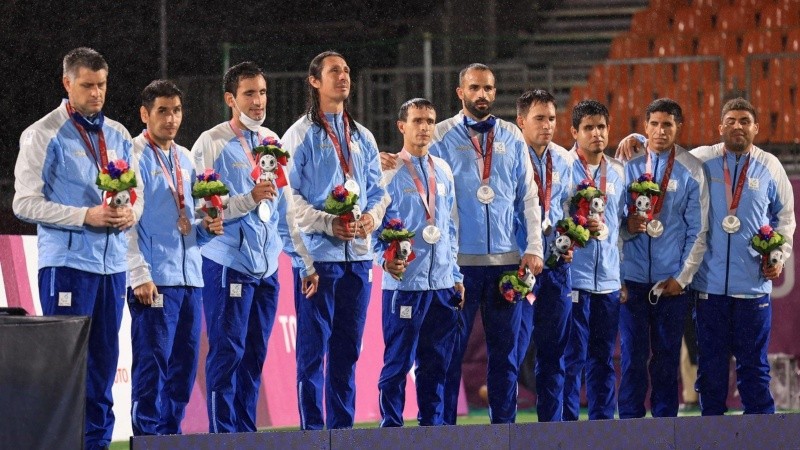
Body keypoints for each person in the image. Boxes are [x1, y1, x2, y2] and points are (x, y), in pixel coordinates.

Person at [381, 64, 543, 424]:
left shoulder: (513, 136)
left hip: (505, 262)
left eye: (488, 88)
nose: (482, 94)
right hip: (458, 267)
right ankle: (445, 432)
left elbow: (528, 197)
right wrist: (381, 161)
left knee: (505, 355)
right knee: (447, 355)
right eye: (474, 88)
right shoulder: (439, 133)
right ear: (460, 92)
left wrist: (534, 246)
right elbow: (412, 162)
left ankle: (505, 431)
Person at [13, 47, 134, 450]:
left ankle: (96, 446)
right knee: (68, 369)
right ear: (67, 84)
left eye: (101, 85)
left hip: (113, 265)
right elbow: (23, 202)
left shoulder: (118, 133)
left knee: (102, 368)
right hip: (67, 264)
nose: (96, 93)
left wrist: (131, 213)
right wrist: (86, 216)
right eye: (87, 86)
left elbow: (136, 193)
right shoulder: (42, 133)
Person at [192, 61, 318, 433]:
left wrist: (304, 262)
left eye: (262, 92)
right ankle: (223, 437)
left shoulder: (272, 144)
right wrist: (248, 199)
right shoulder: (211, 142)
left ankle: (246, 437)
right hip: (228, 263)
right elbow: (204, 207)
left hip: (266, 270)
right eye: (249, 93)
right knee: (227, 354)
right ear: (231, 98)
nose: (258, 100)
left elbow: (284, 211)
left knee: (253, 357)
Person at [283, 51, 388, 430]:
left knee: (347, 354)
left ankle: (342, 434)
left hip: (358, 261)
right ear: (314, 81)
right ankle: (313, 435)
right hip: (320, 262)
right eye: (333, 72)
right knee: (311, 355)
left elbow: (378, 192)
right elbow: (288, 198)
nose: (343, 77)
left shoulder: (362, 135)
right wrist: (329, 223)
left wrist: (370, 219)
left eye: (346, 70)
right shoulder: (298, 136)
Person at [126, 80, 223, 435]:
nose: (171, 119)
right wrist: (138, 272)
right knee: (153, 367)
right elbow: (125, 223)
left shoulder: (185, 158)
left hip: (190, 279)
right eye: (163, 111)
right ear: (144, 114)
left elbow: (189, 223)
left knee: (182, 370)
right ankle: (147, 438)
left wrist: (207, 226)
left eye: (177, 110)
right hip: (155, 280)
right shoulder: (132, 156)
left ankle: (169, 436)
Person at [688, 98, 794, 415]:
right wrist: (634, 142)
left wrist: (777, 255)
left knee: (754, 371)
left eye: (745, 121)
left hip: (753, 289)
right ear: (720, 126)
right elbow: (664, 162)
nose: (738, 126)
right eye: (731, 120)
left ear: (756, 128)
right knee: (710, 372)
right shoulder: (702, 159)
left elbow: (786, 218)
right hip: (709, 290)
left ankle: (762, 441)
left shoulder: (770, 166)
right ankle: (711, 439)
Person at [615, 98, 709, 418]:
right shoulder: (626, 164)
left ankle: (666, 427)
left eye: (667, 124)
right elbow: (612, 226)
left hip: (670, 284)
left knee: (667, 358)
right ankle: (629, 425)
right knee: (632, 357)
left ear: (678, 127)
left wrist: (681, 279)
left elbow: (698, 231)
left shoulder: (691, 169)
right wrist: (626, 231)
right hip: (632, 280)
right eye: (653, 124)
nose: (660, 130)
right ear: (644, 127)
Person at [375, 98, 463, 427]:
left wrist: (455, 275)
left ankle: (432, 433)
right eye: (417, 121)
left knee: (436, 365)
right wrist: (383, 262)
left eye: (429, 120)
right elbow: (371, 226)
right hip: (404, 285)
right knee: (397, 364)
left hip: (441, 285)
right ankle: (392, 432)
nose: (424, 127)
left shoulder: (443, 169)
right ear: (402, 126)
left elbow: (449, 227)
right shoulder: (387, 171)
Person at [561, 100, 625, 421]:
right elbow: (553, 218)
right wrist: (578, 226)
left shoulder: (619, 171)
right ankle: (568, 431)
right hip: (574, 278)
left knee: (603, 360)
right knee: (572, 358)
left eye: (601, 127)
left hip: (609, 283)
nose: (596, 133)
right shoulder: (562, 167)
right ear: (574, 132)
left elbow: (624, 226)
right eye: (588, 128)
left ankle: (602, 428)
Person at [514, 89, 574, 422]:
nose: (548, 125)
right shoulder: (509, 158)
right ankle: (504, 434)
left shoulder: (564, 159)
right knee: (512, 353)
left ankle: (551, 432)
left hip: (555, 267)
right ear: (521, 121)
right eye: (539, 118)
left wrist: (571, 238)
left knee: (554, 354)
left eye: (551, 118)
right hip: (517, 268)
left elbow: (568, 210)